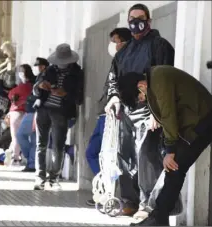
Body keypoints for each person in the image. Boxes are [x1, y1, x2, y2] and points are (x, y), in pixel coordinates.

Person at [104, 3, 175, 222]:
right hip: (125, 109)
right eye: (131, 19)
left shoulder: (159, 45)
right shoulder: (124, 51)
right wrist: (114, 97)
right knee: (124, 155)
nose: (136, 23)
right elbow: (113, 78)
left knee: (146, 155)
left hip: (149, 110)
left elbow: (164, 79)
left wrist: (157, 111)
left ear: (149, 20)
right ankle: (129, 201)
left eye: (140, 18)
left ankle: (148, 204)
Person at [117, 65, 212, 226]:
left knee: (175, 167)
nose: (142, 100)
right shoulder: (154, 80)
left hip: (203, 123)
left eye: (139, 97)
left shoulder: (159, 79)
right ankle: (158, 217)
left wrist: (171, 150)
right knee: (173, 169)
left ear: (141, 86)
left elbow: (169, 115)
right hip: (194, 125)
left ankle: (158, 218)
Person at [85, 28, 133, 210]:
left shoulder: (128, 62)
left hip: (115, 115)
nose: (112, 44)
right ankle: (105, 188)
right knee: (93, 152)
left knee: (112, 156)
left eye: (115, 40)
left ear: (125, 43)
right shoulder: (117, 61)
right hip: (104, 115)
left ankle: (111, 193)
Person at [33, 43, 84, 190]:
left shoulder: (77, 73)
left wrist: (66, 94)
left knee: (58, 146)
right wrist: (40, 86)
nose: (61, 65)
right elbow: (35, 89)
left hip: (61, 111)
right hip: (43, 109)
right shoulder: (49, 70)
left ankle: (54, 178)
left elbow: (79, 97)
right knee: (40, 145)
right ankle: (39, 177)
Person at [7, 64, 35, 165]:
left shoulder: (23, 86)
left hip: (17, 112)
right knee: (27, 137)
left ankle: (16, 158)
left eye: (21, 71)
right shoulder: (31, 85)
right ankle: (24, 157)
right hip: (27, 113)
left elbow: (10, 94)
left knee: (16, 137)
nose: (20, 74)